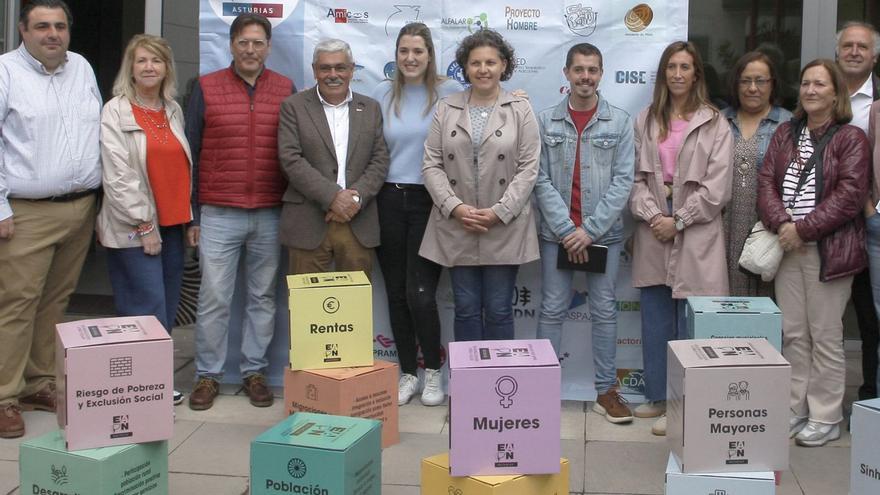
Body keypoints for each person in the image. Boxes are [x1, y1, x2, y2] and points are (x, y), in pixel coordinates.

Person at [0, 0, 101, 439]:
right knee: (16, 305)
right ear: (23, 30)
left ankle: (38, 382)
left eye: (60, 26)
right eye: (42, 26)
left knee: (56, 302)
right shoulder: (5, 72)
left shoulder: (81, 67)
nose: (52, 34)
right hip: (27, 212)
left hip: (80, 207)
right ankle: (4, 395)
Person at [185, 13, 295, 411]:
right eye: (243, 42)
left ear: (268, 47)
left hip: (270, 211)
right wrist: (193, 215)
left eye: (258, 43)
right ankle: (208, 376)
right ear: (232, 45)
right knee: (214, 297)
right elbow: (190, 153)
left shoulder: (285, 89)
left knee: (263, 297)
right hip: (218, 211)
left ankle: (254, 372)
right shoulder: (205, 87)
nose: (251, 50)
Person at [759, 59, 869, 447]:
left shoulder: (851, 138)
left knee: (824, 335)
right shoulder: (786, 134)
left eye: (819, 84)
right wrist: (783, 226)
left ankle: (825, 415)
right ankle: (794, 408)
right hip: (787, 248)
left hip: (829, 251)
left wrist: (801, 229)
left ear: (836, 93)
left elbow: (850, 197)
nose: (810, 90)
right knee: (793, 334)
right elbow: (766, 182)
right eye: (805, 83)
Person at [628, 41, 733, 436]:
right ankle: (658, 397)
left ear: (696, 74)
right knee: (656, 321)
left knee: (691, 327)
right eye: (671, 66)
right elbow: (635, 180)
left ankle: (687, 406)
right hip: (654, 233)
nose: (677, 74)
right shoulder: (645, 120)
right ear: (662, 73)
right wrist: (656, 215)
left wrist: (680, 219)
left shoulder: (714, 123)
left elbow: (717, 189)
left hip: (697, 237)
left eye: (685, 67)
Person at [533, 43, 634, 423]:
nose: (586, 77)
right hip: (555, 235)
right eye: (579, 70)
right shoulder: (545, 122)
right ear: (566, 73)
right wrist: (566, 229)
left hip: (602, 237)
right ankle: (541, 392)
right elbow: (539, 179)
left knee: (605, 311)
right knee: (552, 309)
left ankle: (606, 391)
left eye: (592, 70)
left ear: (601, 73)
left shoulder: (620, 122)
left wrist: (588, 231)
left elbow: (624, 182)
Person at [420, 29, 540, 342]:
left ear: (504, 65)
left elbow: (529, 167)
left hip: (503, 226)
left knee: (499, 309)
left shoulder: (520, 109)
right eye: (476, 63)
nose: (483, 69)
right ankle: (468, 388)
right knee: (466, 309)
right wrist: (454, 207)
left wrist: (500, 211)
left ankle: (500, 389)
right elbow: (431, 163)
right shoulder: (446, 108)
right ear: (465, 67)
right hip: (458, 225)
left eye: (490, 62)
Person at [96, 34, 192, 406]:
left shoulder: (172, 109)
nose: (149, 67)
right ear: (130, 69)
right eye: (141, 61)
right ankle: (138, 388)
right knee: (143, 307)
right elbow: (118, 177)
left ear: (167, 68)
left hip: (172, 224)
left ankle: (153, 383)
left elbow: (180, 169)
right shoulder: (115, 111)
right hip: (137, 228)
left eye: (156, 60)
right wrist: (144, 224)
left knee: (165, 308)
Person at [371, 24, 462, 407]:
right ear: (396, 53)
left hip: (432, 202)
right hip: (388, 200)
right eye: (404, 51)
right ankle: (408, 372)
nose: (410, 58)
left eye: (418, 52)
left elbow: (489, 109)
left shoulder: (450, 95)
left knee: (421, 293)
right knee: (395, 293)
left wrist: (518, 96)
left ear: (429, 55)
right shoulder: (378, 95)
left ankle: (434, 372)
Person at [278, 39, 389, 279]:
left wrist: (354, 199)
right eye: (325, 68)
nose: (333, 74)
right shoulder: (293, 106)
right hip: (307, 222)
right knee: (306, 311)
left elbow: (379, 160)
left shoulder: (370, 108)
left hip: (356, 221)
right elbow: (290, 159)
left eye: (340, 67)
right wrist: (333, 198)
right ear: (315, 70)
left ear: (351, 69)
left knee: (354, 312)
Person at [722, 52, 792, 296]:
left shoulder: (788, 124)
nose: (753, 88)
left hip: (768, 224)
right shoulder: (720, 121)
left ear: (772, 84)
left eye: (761, 81)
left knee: (768, 298)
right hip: (724, 223)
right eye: (745, 81)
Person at [837, 21, 880, 401]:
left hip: (869, 223)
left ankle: (869, 400)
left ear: (874, 55)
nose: (853, 51)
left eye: (861, 47)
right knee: (823, 321)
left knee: (870, 319)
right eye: (847, 45)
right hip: (824, 224)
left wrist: (869, 207)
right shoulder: (821, 92)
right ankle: (823, 402)